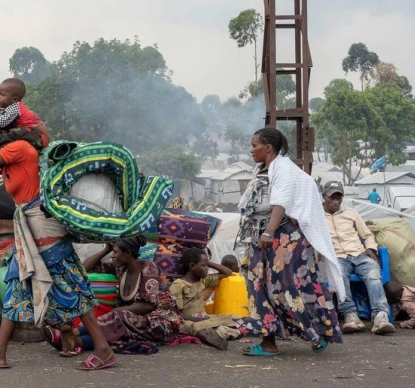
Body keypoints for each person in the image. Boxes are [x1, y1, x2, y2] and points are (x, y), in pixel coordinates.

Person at [0, 120, 115, 370]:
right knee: (17, 284)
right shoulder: (13, 156)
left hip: (43, 231)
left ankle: (103, 349)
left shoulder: (20, 149)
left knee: (72, 287)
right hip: (30, 230)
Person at [234, 127, 344, 356]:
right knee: (258, 287)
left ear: (268, 148)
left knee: (285, 288)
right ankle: (268, 341)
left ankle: (317, 333)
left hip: (281, 239)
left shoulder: (283, 168)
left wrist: (269, 232)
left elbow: (280, 203)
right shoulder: (261, 170)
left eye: (255, 145)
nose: (251, 149)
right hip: (260, 236)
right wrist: (260, 235)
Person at [53, 236, 180, 355]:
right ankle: (75, 342)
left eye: (115, 252)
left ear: (128, 254)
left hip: (160, 323)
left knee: (118, 317)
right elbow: (83, 269)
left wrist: (115, 313)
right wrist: (105, 250)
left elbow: (148, 306)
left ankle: (74, 333)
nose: (112, 256)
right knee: (118, 330)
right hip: (132, 321)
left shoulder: (148, 269)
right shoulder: (120, 269)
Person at [322, 181, 395, 335]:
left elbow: (367, 234)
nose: (336, 202)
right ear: (324, 196)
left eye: (339, 198)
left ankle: (381, 316)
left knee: (374, 275)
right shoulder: (317, 216)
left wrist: (370, 247)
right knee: (339, 275)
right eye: (332, 198)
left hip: (358, 254)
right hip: (337, 257)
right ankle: (350, 316)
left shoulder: (351, 213)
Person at [169, 248, 238, 350]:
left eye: (207, 266)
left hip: (203, 317)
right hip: (186, 319)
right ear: (192, 266)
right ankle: (211, 337)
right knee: (194, 326)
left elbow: (228, 272)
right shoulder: (178, 285)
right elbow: (178, 313)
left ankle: (214, 332)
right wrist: (197, 320)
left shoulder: (203, 281)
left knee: (227, 318)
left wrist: (208, 262)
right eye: (203, 265)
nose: (207, 269)